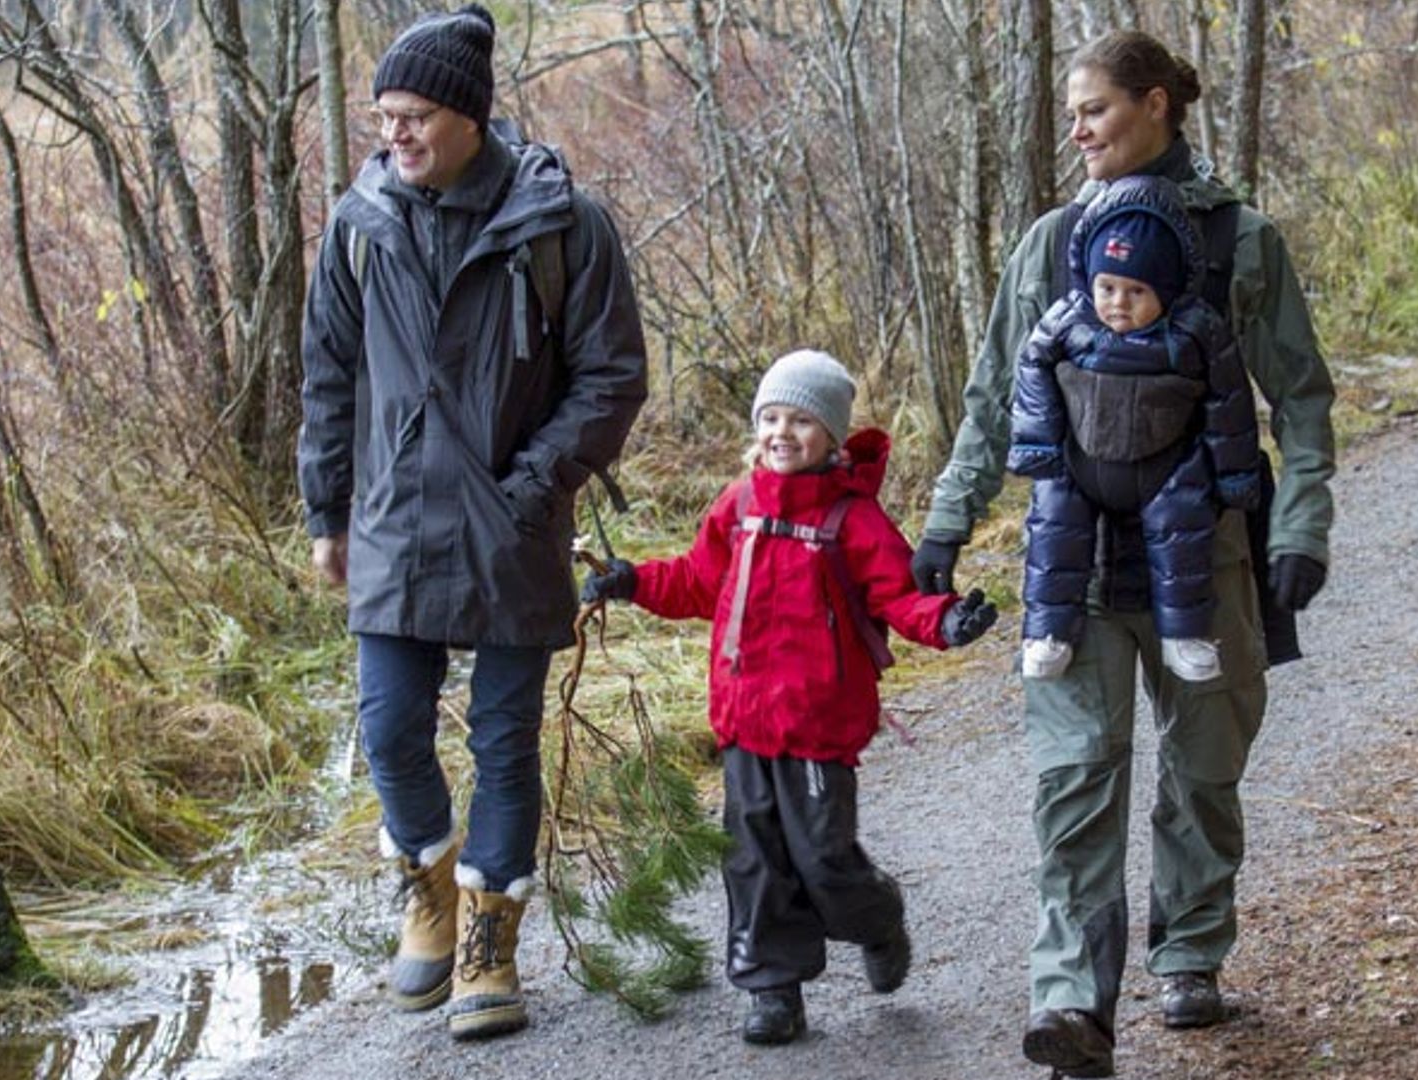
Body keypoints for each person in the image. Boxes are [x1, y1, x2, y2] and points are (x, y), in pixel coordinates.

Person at [912, 29, 1336, 1078]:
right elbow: (989, 403)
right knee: (1075, 777)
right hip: (1076, 571)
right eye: (1070, 112)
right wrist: (945, 523)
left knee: (1203, 770)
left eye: (1094, 108)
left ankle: (1190, 953)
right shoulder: (1052, 244)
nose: (1078, 128)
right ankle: (1073, 1003)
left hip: (1215, 565)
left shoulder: (1242, 240)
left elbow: (1304, 397)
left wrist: (1301, 529)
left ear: (1156, 104)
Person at [297, 3, 648, 1042]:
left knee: (504, 742)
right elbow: (328, 377)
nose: (394, 135)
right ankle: (428, 887)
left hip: (511, 523)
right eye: (385, 117)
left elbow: (613, 377)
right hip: (395, 521)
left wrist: (534, 482)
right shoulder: (360, 225)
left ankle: (492, 941)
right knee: (389, 729)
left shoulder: (563, 224)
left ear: (466, 117)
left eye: (412, 116)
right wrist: (328, 510)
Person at [580, 350, 999, 1045]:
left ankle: (876, 917)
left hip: (819, 721)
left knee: (824, 857)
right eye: (771, 417)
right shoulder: (739, 506)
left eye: (801, 420)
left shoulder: (852, 520)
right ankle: (773, 990)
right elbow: (694, 581)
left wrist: (947, 620)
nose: (782, 432)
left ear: (832, 436)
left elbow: (898, 596)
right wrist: (632, 581)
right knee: (752, 856)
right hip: (745, 716)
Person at [1008, 175, 1261, 685]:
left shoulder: (1195, 329)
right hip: (1081, 462)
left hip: (1166, 464)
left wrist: (1235, 476)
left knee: (1183, 530)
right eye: (1107, 287)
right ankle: (1048, 633)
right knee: (1054, 527)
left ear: (1165, 291)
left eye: (1135, 291)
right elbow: (1030, 367)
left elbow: (1229, 402)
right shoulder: (1069, 320)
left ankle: (1185, 634)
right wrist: (1037, 443)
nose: (1117, 303)